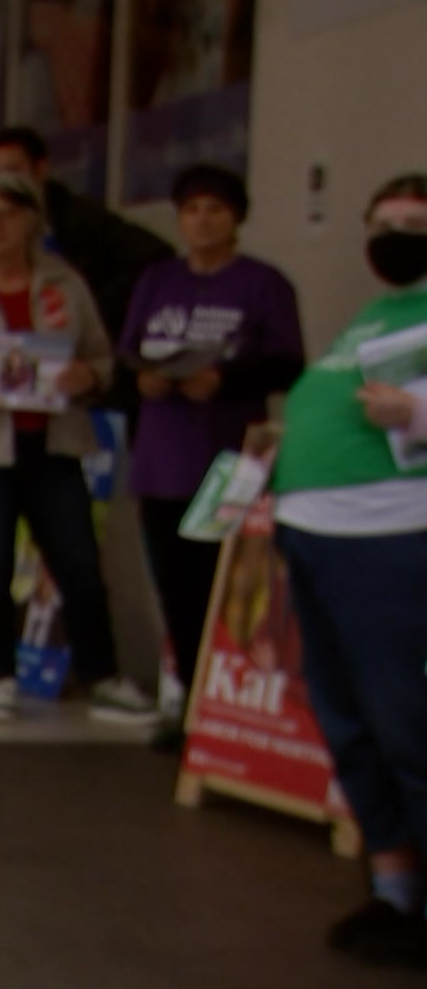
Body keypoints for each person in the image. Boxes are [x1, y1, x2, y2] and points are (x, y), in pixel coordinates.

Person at [0, 172, 156, 723]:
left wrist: (87, 377)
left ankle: (103, 674)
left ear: (30, 221)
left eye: (5, 215)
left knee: (79, 565)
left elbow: (101, 357)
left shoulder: (65, 286)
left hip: (53, 444)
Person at [273, 174, 427, 968]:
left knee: (406, 721)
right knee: (349, 720)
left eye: (415, 223)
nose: (396, 235)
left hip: (389, 536)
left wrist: (417, 414)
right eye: (385, 221)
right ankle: (394, 885)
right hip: (320, 535)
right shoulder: (376, 313)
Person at [119, 164, 304, 752]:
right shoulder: (157, 280)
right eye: (192, 209)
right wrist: (144, 381)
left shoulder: (262, 283)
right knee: (175, 588)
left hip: (227, 461)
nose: (202, 221)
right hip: (161, 460)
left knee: (221, 588)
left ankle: (229, 711)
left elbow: (288, 363)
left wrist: (223, 380)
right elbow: (127, 354)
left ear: (236, 218)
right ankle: (191, 708)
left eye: (215, 210)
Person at [0, 126, 173, 341]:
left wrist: (93, 306)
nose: (4, 184)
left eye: (12, 171)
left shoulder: (78, 217)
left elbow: (155, 254)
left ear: (40, 169)